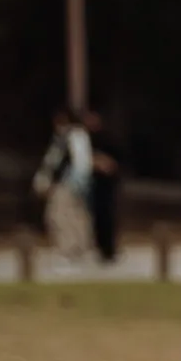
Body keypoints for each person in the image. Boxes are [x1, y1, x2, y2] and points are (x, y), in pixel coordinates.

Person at [32, 109, 92, 260]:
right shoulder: (66, 138)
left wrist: (76, 184)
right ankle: (74, 248)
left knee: (62, 216)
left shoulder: (74, 137)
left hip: (68, 185)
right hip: (66, 184)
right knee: (68, 216)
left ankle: (71, 249)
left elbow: (80, 164)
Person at [85, 110, 121, 264]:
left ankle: (109, 250)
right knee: (94, 218)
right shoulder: (85, 140)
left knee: (108, 217)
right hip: (91, 185)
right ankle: (98, 247)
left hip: (107, 186)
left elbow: (116, 162)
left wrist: (107, 164)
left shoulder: (108, 139)